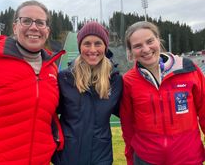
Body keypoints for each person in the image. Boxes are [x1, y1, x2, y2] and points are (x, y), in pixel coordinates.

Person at [0, 0, 64, 164]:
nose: (34, 27)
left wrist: (54, 141)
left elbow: (47, 113)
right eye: (26, 21)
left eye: (40, 22)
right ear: (15, 27)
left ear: (47, 30)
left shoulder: (51, 69)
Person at [119, 21, 205, 165]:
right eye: (137, 46)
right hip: (146, 160)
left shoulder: (188, 69)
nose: (146, 49)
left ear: (158, 40)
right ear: (131, 51)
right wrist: (130, 159)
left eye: (150, 41)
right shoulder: (128, 81)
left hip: (188, 158)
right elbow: (127, 126)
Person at [52, 21, 123, 165]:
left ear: (105, 46)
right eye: (87, 43)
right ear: (79, 47)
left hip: (101, 158)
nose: (92, 49)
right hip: (67, 157)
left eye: (98, 43)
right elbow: (48, 113)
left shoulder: (115, 80)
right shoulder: (65, 78)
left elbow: (130, 113)